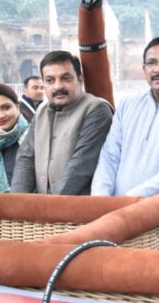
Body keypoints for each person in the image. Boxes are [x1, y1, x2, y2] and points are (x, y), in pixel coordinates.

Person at [91, 36, 159, 197]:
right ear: (144, 69)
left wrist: (131, 199)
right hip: (116, 206)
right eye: (151, 62)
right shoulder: (127, 105)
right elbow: (109, 156)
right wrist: (100, 199)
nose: (158, 69)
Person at [11, 51, 113, 195]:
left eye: (65, 78)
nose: (58, 86)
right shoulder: (41, 112)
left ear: (80, 80)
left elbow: (81, 167)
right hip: (42, 205)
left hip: (79, 204)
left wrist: (52, 205)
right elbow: (26, 158)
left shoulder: (96, 109)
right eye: (50, 80)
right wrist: (17, 201)